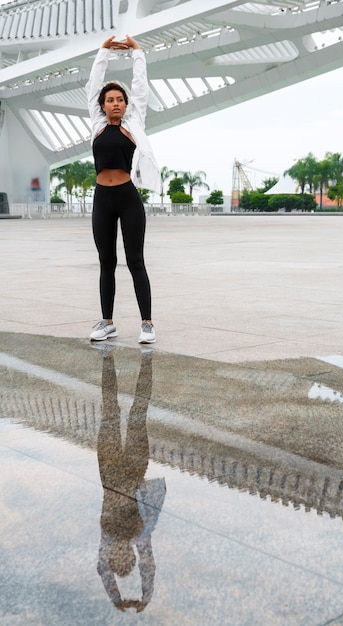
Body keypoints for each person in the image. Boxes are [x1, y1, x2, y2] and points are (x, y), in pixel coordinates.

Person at [86, 35, 160, 344]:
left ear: (126, 105)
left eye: (120, 99)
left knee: (135, 261)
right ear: (102, 106)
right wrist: (103, 50)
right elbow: (93, 83)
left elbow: (140, 86)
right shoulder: (97, 125)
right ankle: (107, 322)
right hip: (102, 199)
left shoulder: (134, 124)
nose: (115, 103)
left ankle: (147, 324)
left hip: (128, 199)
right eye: (110, 100)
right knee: (106, 262)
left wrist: (137, 52)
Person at [96, 349, 166, 612]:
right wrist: (145, 595)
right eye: (128, 558)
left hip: (111, 469)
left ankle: (108, 360)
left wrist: (116, 599)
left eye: (117, 557)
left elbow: (101, 570)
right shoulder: (140, 537)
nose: (123, 553)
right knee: (137, 411)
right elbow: (150, 565)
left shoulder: (107, 538)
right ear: (132, 557)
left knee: (111, 409)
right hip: (132, 470)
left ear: (112, 555)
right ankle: (144, 363)